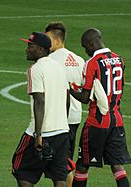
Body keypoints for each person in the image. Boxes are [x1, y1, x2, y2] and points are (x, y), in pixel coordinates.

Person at [69, 28, 131, 187]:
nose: (85, 51)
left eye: (85, 47)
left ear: (91, 43)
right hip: (116, 120)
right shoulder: (119, 60)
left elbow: (84, 97)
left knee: (83, 165)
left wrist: (69, 89)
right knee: (117, 166)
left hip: (97, 122)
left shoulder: (92, 63)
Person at [12, 32, 70, 187]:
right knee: (59, 177)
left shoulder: (35, 69)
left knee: (21, 172)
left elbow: (39, 101)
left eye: (30, 46)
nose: (27, 49)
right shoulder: (60, 68)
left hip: (40, 133)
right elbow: (67, 98)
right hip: (62, 132)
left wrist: (38, 135)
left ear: (40, 49)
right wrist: (63, 123)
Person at [45, 22, 85, 187]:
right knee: (66, 160)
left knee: (59, 163)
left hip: (57, 119)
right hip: (74, 117)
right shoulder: (79, 60)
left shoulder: (48, 60)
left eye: (47, 39)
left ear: (56, 40)